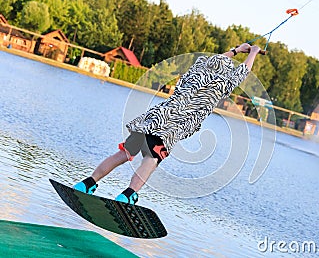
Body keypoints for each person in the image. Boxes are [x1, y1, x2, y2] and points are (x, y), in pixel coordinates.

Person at [74, 43, 262, 205]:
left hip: (157, 115)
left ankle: (87, 183)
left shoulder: (197, 69)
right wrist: (253, 52)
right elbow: (244, 71)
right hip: (173, 125)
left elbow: (212, 61)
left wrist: (236, 50)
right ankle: (128, 195)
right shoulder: (224, 83)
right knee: (152, 159)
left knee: (125, 153)